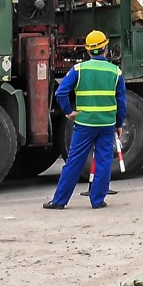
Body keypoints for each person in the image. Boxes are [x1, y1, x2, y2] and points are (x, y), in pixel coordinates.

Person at [44, 30, 126, 209]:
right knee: (104, 161)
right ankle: (97, 201)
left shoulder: (78, 69)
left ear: (88, 51)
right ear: (105, 48)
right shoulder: (116, 72)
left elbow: (61, 92)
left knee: (74, 161)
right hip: (106, 124)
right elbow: (121, 102)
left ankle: (59, 201)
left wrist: (68, 111)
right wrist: (119, 124)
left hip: (84, 124)